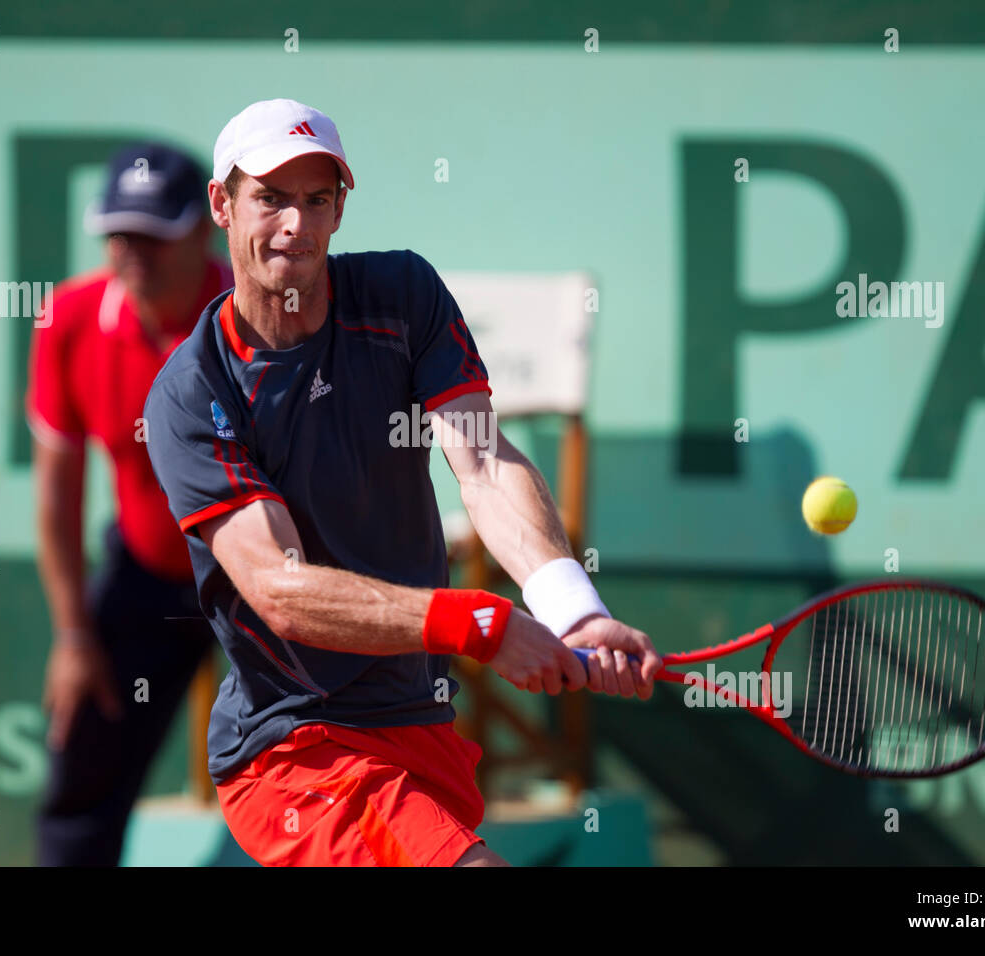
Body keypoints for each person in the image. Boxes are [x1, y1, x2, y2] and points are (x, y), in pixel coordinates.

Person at [143, 99, 661, 867]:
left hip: (420, 723)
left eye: (317, 200)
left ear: (341, 208)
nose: (295, 224)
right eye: (271, 198)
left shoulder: (402, 298)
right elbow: (282, 591)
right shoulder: (191, 394)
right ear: (222, 204)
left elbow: (481, 461)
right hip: (295, 748)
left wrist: (570, 609)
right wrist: (478, 624)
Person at [26, 142, 233, 865]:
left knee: (335, 772)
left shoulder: (263, 319)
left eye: (153, 233)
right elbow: (57, 498)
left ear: (205, 229)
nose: (132, 251)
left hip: (272, 583)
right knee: (81, 770)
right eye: (119, 233)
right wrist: (75, 639)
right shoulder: (69, 319)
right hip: (147, 576)